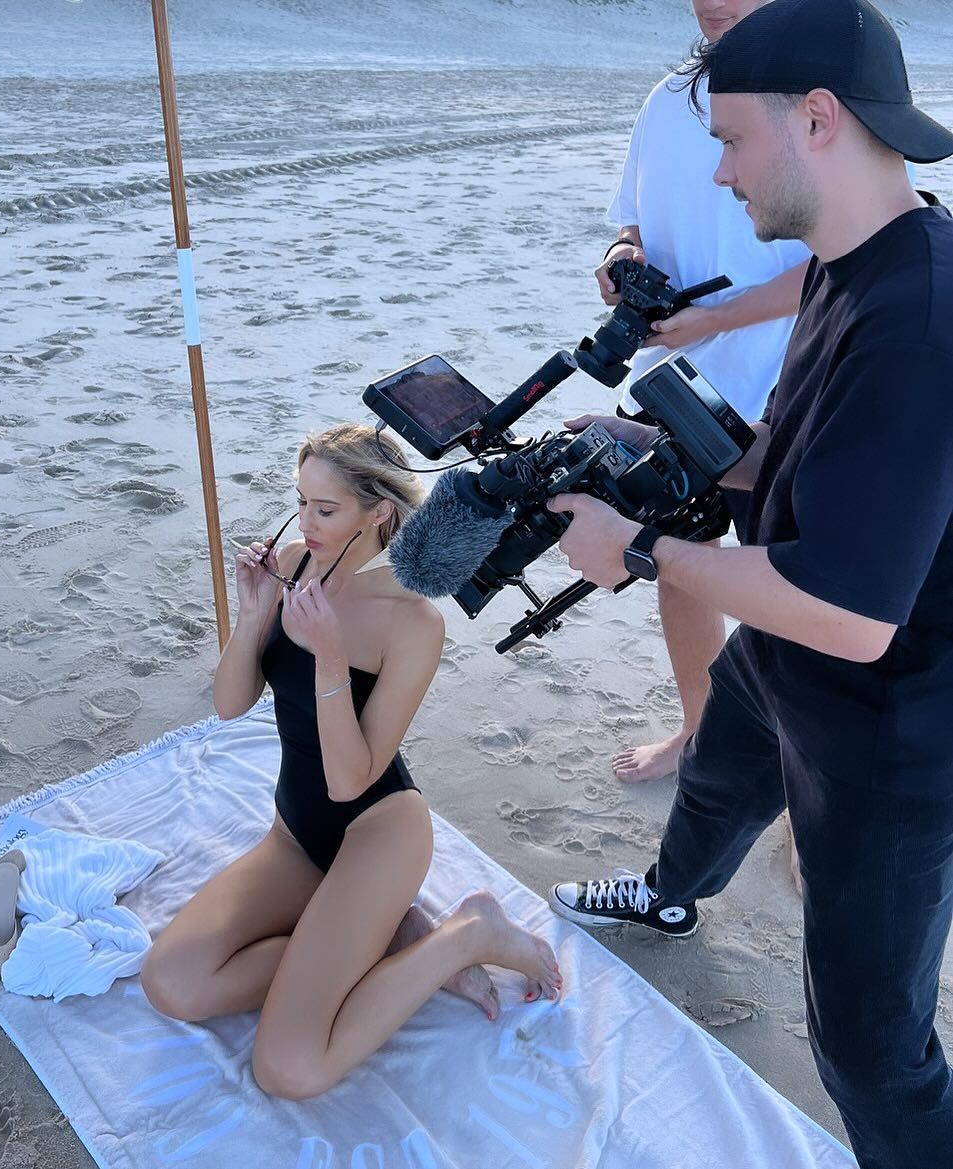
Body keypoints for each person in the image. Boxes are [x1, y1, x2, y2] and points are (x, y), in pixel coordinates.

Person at [545, 3, 953, 1166]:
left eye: (728, 140)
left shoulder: (918, 322)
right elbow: (796, 455)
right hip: (782, 655)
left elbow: (850, 614)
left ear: (815, 119)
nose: (717, 173)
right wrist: (647, 449)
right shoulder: (854, 257)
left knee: (866, 1044)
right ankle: (670, 891)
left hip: (890, 728)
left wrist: (639, 552)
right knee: (717, 776)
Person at [141, 422, 561, 1100]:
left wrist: (330, 655)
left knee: (290, 1069)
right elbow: (229, 704)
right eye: (301, 502)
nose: (305, 523)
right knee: (172, 983)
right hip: (296, 833)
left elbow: (350, 779)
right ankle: (382, 935)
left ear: (378, 512)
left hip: (375, 834)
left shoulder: (413, 622)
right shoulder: (299, 563)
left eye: (325, 509)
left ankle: (465, 933)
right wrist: (254, 613)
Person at [596, 0, 810, 783]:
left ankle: (802, 779)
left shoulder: (823, 97)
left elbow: (857, 258)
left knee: (791, 601)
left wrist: (718, 317)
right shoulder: (666, 100)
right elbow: (633, 224)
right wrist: (620, 259)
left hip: (788, 389)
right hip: (674, 387)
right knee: (680, 566)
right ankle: (698, 728)